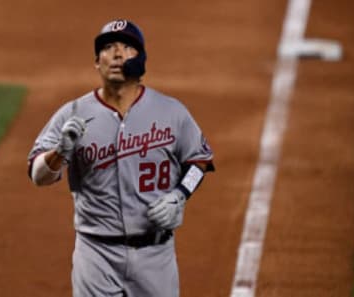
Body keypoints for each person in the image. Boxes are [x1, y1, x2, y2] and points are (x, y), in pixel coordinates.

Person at [27, 19, 215, 297]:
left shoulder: (171, 111)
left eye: (127, 47)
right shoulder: (73, 113)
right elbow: (38, 176)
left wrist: (180, 194)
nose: (116, 54)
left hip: (156, 256)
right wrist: (59, 153)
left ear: (141, 60)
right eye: (108, 47)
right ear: (96, 62)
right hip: (95, 255)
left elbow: (200, 160)